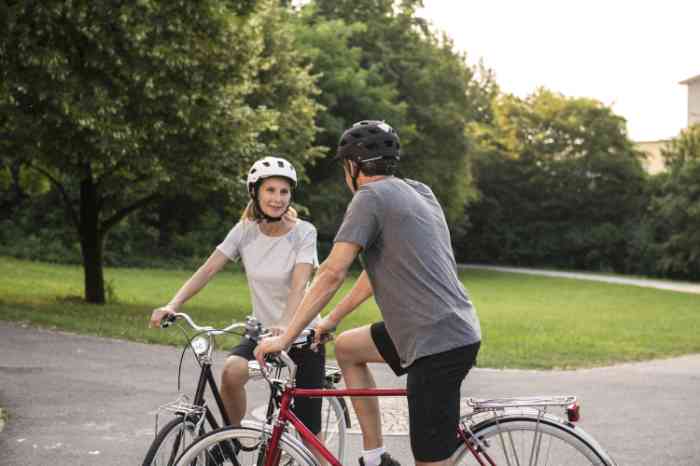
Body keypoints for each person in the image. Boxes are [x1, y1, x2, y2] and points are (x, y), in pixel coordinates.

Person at [255, 121, 482, 466]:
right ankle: (375, 458)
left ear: (353, 165)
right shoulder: (420, 191)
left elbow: (332, 273)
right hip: (443, 327)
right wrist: (329, 320)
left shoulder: (369, 198)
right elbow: (375, 273)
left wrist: (285, 337)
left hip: (436, 345)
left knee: (431, 462)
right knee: (347, 347)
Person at [149, 156, 326, 452]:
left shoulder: (304, 232)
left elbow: (299, 285)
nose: (278, 198)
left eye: (284, 191)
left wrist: (285, 326)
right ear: (255, 192)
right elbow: (207, 269)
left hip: (302, 332)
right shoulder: (245, 230)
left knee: (310, 435)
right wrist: (173, 303)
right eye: (270, 190)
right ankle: (231, 438)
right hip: (261, 331)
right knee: (231, 372)